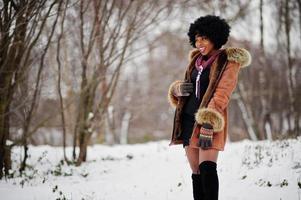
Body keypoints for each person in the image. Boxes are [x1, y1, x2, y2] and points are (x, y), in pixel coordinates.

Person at [167, 15, 251, 200]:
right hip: (188, 120)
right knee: (196, 173)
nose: (199, 43)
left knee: (207, 170)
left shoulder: (227, 61)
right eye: (196, 39)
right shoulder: (195, 60)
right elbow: (188, 87)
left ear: (215, 37)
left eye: (203, 38)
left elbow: (222, 93)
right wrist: (177, 89)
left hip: (209, 122)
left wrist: (208, 122)